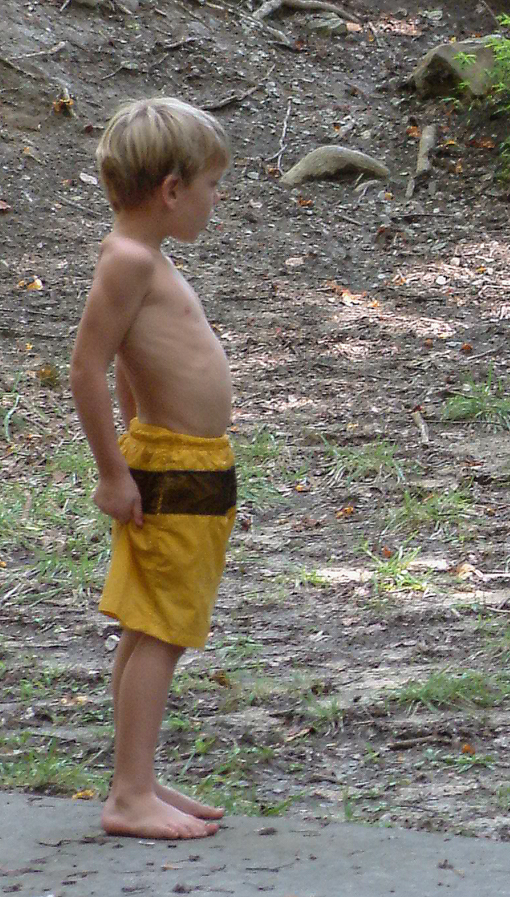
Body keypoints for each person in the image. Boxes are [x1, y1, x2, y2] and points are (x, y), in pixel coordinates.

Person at [69, 97, 236, 840]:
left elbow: (129, 361)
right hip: (175, 466)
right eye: (211, 185)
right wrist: (114, 471)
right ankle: (130, 795)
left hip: (182, 459)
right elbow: (86, 367)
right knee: (164, 629)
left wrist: (137, 433)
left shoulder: (143, 258)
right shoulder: (132, 260)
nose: (215, 199)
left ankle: (135, 776)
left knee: (149, 626)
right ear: (172, 189)